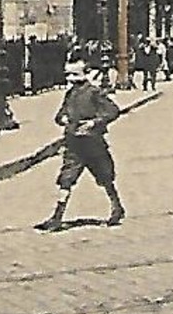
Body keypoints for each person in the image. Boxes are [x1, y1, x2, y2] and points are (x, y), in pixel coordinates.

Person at [35, 60, 126, 231]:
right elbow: (60, 113)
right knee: (66, 179)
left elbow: (113, 111)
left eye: (74, 74)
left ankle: (116, 206)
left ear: (85, 73)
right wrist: (62, 119)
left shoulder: (94, 92)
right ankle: (57, 216)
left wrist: (94, 122)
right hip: (73, 143)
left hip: (93, 143)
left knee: (105, 176)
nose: (70, 78)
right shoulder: (70, 94)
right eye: (68, 74)